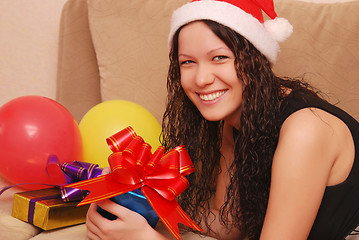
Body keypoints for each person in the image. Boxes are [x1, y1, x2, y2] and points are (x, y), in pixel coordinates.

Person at [86, 0, 359, 239]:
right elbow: (228, 225)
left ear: (254, 59)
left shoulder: (305, 130)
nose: (202, 79)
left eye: (219, 57)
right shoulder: (240, 120)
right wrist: (141, 201)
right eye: (187, 62)